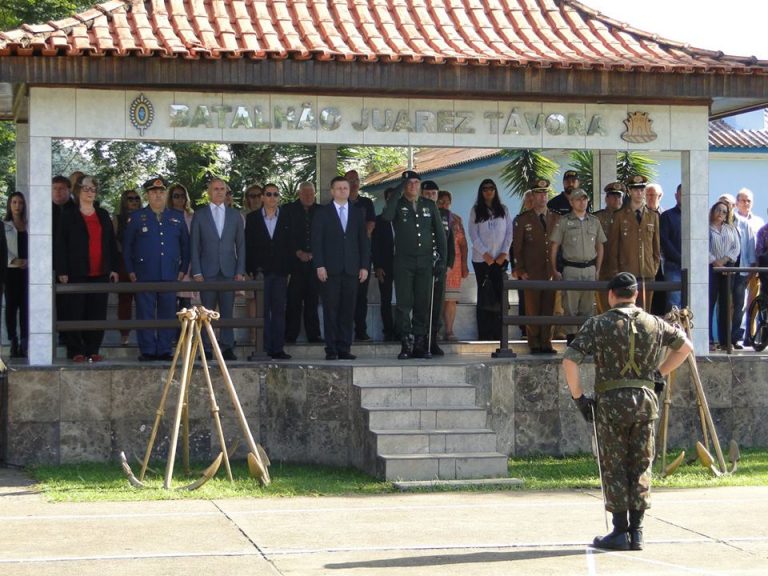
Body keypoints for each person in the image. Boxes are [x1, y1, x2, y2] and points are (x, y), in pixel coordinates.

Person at [563, 272, 693, 552]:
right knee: (641, 463)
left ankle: (620, 530)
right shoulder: (656, 323)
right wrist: (659, 372)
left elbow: (570, 360)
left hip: (610, 403)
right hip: (645, 401)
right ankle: (638, 531)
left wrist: (579, 398)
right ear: (635, 295)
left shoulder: (598, 324)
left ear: (611, 295)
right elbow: (685, 348)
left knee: (615, 465)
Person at [123, 177, 190, 362]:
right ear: (147, 195)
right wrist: (130, 270)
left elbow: (186, 245)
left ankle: (164, 349)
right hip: (144, 272)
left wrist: (183, 268)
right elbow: (127, 246)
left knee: (168, 312)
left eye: (161, 192)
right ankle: (148, 350)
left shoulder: (176, 217)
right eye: (153, 192)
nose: (158, 195)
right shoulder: (137, 218)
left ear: (166, 194)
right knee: (145, 313)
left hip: (170, 272)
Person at [381, 170, 447, 359]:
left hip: (425, 261)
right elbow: (386, 216)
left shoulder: (429, 205)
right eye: (409, 183)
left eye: (416, 183)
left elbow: (440, 235)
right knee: (404, 303)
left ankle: (420, 342)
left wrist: (442, 258)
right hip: (403, 261)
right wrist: (398, 189)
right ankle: (406, 342)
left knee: (422, 302)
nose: (413, 186)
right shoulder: (397, 204)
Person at [54, 175, 119, 362]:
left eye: (93, 189)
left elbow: (110, 244)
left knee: (97, 313)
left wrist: (113, 267)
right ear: (78, 190)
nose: (90, 192)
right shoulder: (68, 215)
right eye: (86, 188)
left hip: (101, 272)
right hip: (76, 272)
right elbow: (60, 245)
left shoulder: (103, 214)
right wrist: (62, 271)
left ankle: (93, 349)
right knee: (74, 312)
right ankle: (76, 351)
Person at [311, 176, 370, 360]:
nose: (343, 191)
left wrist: (364, 266)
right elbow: (316, 241)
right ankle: (332, 349)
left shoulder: (357, 212)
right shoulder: (323, 213)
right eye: (339, 188)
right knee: (331, 310)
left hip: (352, 269)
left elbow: (363, 241)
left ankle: (345, 347)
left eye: (345, 188)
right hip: (330, 269)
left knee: (347, 310)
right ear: (332, 191)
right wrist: (319, 265)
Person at [190, 177, 246, 361]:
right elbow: (194, 245)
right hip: (207, 271)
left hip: (229, 271)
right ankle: (205, 348)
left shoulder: (235, 215)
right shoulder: (200, 215)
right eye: (215, 189)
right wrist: (196, 270)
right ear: (209, 192)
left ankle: (227, 347)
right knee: (206, 312)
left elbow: (241, 245)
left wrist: (240, 271)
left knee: (227, 312)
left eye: (222, 189)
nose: (219, 192)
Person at [549, 188, 605, 344]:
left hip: (589, 269)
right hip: (571, 268)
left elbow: (600, 245)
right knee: (570, 307)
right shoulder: (564, 221)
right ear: (571, 202)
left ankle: (586, 340)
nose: (582, 202)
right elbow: (554, 246)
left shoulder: (594, 221)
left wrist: (598, 269)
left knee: (587, 307)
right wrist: (555, 270)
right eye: (578, 199)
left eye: (585, 199)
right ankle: (572, 340)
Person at [245, 182, 293, 360]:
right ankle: (263, 348)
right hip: (260, 272)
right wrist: (249, 270)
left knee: (279, 311)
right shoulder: (252, 218)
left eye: (275, 194)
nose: (272, 197)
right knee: (262, 312)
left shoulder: (287, 217)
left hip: (280, 272)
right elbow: (248, 246)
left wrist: (289, 270)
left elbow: (291, 245)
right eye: (269, 194)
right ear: (263, 197)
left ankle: (278, 348)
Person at [513, 179, 559, 353]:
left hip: (551, 271)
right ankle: (534, 342)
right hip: (532, 271)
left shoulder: (555, 217)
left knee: (549, 308)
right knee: (532, 308)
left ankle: (547, 341)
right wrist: (520, 270)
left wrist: (558, 269)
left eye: (545, 193)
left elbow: (560, 245)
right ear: (532, 196)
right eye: (539, 193)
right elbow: (517, 247)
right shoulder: (524, 219)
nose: (542, 197)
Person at [606, 175, 660, 312]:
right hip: (626, 273)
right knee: (626, 313)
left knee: (645, 313)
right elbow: (613, 248)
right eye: (635, 189)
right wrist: (616, 272)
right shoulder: (620, 216)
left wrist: (653, 268)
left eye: (642, 189)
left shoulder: (653, 216)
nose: (639, 193)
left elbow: (656, 247)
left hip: (646, 273)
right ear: (629, 191)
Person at [469, 178, 514, 342]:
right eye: (485, 189)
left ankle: (499, 335)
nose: (488, 191)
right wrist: (486, 255)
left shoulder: (503, 209)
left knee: (500, 297)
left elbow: (509, 233)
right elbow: (473, 235)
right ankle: (485, 335)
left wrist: (503, 253)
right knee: (485, 296)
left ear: (495, 191)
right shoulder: (476, 210)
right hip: (482, 261)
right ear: (481, 192)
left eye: (491, 188)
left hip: (501, 259)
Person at [284, 181, 322, 344]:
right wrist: (297, 252)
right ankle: (290, 334)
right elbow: (285, 235)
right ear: (299, 194)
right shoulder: (288, 210)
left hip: (315, 263)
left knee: (312, 300)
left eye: (310, 193)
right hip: (295, 263)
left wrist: (314, 253)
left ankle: (314, 334)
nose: (308, 196)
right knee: (293, 299)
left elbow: (324, 236)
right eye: (304, 193)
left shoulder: (321, 211)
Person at [421, 180, 454, 356]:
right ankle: (420, 340)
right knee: (423, 304)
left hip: (439, 266)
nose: (430, 197)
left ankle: (433, 340)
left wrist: (449, 263)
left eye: (433, 194)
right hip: (422, 266)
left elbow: (450, 241)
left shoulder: (445, 215)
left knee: (437, 303)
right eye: (427, 194)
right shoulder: (417, 211)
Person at [344, 169, 376, 342]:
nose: (354, 183)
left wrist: (361, 236)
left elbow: (371, 224)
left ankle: (361, 331)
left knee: (361, 296)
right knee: (345, 295)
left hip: (362, 255)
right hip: (343, 256)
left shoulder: (366, 203)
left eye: (356, 179)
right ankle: (344, 332)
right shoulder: (340, 203)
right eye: (350, 180)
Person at [731, 188, 763, 348]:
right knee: (738, 304)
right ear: (737, 203)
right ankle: (735, 335)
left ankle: (750, 337)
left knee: (753, 306)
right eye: (743, 200)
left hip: (757, 270)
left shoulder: (758, 222)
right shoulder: (732, 220)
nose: (746, 203)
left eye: (749, 200)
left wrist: (756, 268)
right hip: (740, 269)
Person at [437, 190, 469, 342]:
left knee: (450, 299)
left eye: (447, 202)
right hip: (435, 264)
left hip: (454, 265)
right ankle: (434, 331)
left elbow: (463, 244)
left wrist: (464, 264)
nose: (444, 205)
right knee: (435, 299)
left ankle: (449, 331)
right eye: (441, 202)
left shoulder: (455, 219)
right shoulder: (431, 217)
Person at [708, 200, 740, 350]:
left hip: (727, 268)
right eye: (718, 210)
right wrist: (715, 262)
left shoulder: (730, 228)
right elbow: (702, 247)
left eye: (724, 212)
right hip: (711, 269)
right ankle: (708, 340)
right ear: (713, 211)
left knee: (726, 304)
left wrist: (725, 260)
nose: (721, 214)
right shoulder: (706, 228)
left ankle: (725, 341)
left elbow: (736, 248)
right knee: (710, 302)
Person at [112, 189, 143, 345]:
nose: (134, 201)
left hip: (142, 262)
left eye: (137, 198)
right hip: (123, 261)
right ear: (124, 201)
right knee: (124, 299)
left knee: (143, 299)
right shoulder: (117, 219)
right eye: (130, 198)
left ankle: (145, 334)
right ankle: (124, 336)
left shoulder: (145, 217)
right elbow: (113, 241)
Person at [594, 181, 626, 314]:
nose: (616, 199)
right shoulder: (597, 217)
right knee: (603, 303)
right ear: (606, 198)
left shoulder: (627, 216)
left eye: (619, 196)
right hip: (603, 266)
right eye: (613, 196)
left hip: (622, 265)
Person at [4, 192, 29, 358]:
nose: (17, 205)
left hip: (28, 272)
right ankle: (13, 339)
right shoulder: (4, 225)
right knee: (11, 307)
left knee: (26, 307)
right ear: (9, 204)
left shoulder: (29, 225)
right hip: (10, 271)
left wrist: (28, 262)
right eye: (14, 202)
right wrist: (14, 261)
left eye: (20, 202)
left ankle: (25, 341)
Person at [371, 187, 398, 341]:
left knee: (404, 300)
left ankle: (402, 330)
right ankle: (388, 331)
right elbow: (375, 245)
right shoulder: (379, 220)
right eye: (389, 198)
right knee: (386, 300)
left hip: (403, 265)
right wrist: (378, 266)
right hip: (385, 265)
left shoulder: (404, 218)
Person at [167, 183, 196, 313]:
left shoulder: (193, 217)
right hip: (170, 264)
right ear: (170, 198)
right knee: (170, 302)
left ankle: (184, 333)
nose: (179, 199)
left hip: (188, 264)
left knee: (186, 305)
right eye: (176, 196)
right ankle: (171, 333)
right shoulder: (165, 216)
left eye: (182, 196)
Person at [659, 184, 682, 312]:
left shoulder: (697, 217)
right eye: (681, 193)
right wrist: (680, 258)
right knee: (674, 305)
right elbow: (664, 241)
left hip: (694, 269)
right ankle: (674, 332)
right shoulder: (667, 216)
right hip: (673, 267)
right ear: (676, 195)